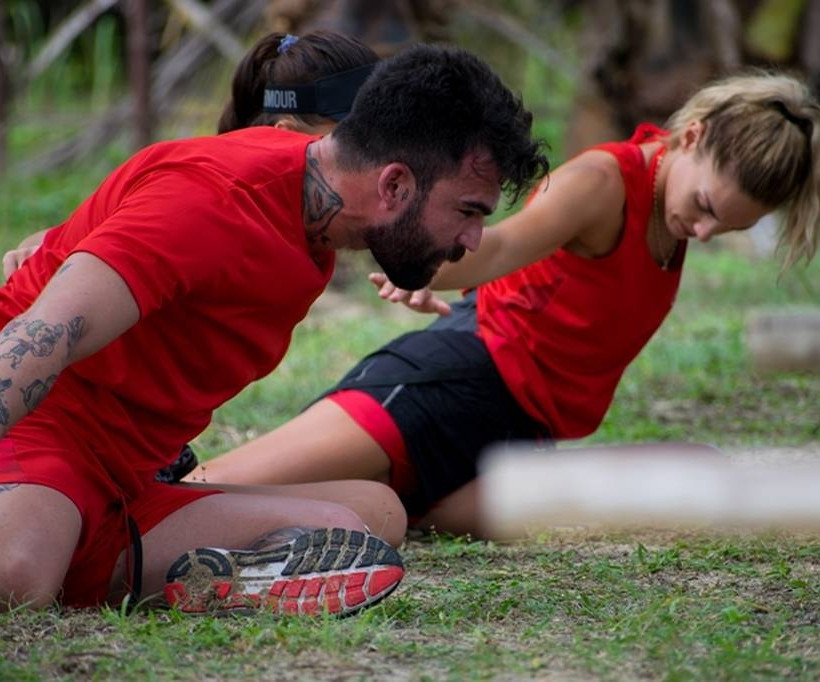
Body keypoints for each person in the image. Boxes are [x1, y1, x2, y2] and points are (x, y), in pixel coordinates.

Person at [0, 32, 549, 616]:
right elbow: (44, 335)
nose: (472, 240)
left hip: (128, 477)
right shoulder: (213, 197)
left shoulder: (318, 231)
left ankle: (100, 547)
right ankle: (86, 551)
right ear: (393, 185)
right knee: (17, 577)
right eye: (468, 212)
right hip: (44, 426)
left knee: (367, 517)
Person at [183, 71, 820, 537]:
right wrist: (425, 260)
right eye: (706, 208)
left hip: (520, 437)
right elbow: (504, 242)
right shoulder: (603, 184)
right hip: (452, 381)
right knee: (201, 493)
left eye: (726, 229)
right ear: (693, 137)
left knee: (697, 472)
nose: (703, 234)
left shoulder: (669, 209)